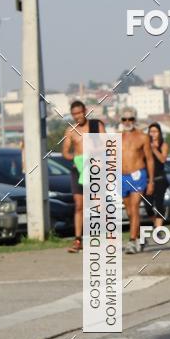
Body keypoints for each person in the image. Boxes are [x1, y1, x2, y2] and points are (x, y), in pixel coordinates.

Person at [62, 100, 106, 253]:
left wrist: (93, 151)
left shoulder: (96, 125)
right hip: (78, 169)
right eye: (74, 114)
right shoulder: (70, 130)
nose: (77, 116)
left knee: (97, 204)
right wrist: (75, 157)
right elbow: (65, 151)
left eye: (79, 113)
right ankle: (78, 240)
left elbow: (106, 143)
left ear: (85, 111)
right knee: (79, 205)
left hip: (95, 167)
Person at [121, 108, 154, 253]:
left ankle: (132, 241)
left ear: (135, 120)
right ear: (121, 121)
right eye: (124, 119)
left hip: (138, 175)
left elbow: (149, 159)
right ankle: (140, 236)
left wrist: (151, 181)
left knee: (134, 208)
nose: (127, 122)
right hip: (122, 176)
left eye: (130, 119)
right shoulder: (116, 137)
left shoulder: (143, 137)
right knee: (128, 211)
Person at [147, 122, 169, 227]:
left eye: (155, 131)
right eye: (151, 132)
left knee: (159, 204)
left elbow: (163, 159)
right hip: (147, 180)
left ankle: (159, 228)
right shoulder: (146, 145)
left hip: (160, 179)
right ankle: (155, 224)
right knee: (148, 206)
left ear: (159, 133)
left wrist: (154, 149)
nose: (153, 134)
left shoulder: (163, 145)